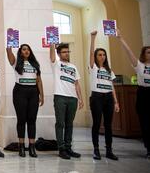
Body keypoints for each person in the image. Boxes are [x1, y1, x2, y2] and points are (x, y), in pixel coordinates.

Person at [116, 29, 150, 158]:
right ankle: (148, 148)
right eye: (148, 52)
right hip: (143, 94)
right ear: (143, 54)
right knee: (145, 122)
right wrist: (121, 38)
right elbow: (128, 51)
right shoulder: (139, 65)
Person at [7, 44, 44, 158]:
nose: (26, 51)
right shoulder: (16, 62)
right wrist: (9, 41)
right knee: (21, 119)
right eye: (24, 49)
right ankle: (21, 146)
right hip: (20, 91)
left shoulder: (35, 64)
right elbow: (9, 52)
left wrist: (42, 95)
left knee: (32, 120)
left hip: (33, 92)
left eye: (28, 49)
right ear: (20, 52)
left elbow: (39, 81)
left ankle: (32, 147)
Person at [89, 31, 120, 160]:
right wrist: (93, 38)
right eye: (99, 55)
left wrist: (116, 102)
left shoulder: (109, 70)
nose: (102, 56)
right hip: (96, 97)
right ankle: (96, 150)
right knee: (96, 123)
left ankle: (109, 150)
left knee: (108, 125)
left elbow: (112, 86)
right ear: (96, 57)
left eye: (103, 55)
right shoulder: (93, 67)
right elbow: (90, 53)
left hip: (108, 98)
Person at [50, 43, 84, 160]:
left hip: (72, 98)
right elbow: (52, 57)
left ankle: (69, 148)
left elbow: (77, 84)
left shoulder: (73, 67)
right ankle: (61, 149)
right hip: (60, 96)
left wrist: (80, 98)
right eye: (64, 52)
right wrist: (52, 44)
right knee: (60, 123)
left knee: (69, 124)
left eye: (68, 52)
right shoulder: (56, 64)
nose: (66, 54)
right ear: (59, 54)